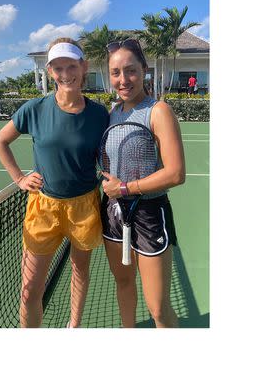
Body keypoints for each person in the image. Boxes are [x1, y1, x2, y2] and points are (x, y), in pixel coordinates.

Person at [0, 38, 109, 328]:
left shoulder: (99, 115)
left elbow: (106, 157)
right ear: (49, 71)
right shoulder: (34, 109)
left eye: (71, 66)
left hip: (85, 206)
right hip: (42, 209)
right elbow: (0, 141)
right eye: (58, 67)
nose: (65, 73)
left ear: (83, 67)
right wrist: (19, 177)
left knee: (80, 272)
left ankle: (74, 327)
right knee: (30, 288)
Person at [102, 39, 185, 328]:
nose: (123, 80)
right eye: (115, 72)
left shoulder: (158, 110)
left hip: (150, 214)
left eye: (130, 71)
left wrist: (124, 188)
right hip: (113, 214)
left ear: (144, 70)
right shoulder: (112, 113)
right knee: (124, 286)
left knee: (158, 309)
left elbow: (176, 173)